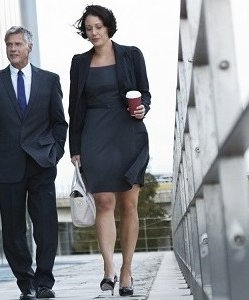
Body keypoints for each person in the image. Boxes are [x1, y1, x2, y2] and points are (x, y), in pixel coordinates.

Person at [0, 26, 67, 300]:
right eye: (9, 44)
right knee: (13, 230)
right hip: (8, 164)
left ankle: (44, 282)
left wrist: (55, 152)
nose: (13, 49)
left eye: (18, 44)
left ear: (30, 47)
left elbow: (59, 122)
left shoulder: (49, 80)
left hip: (41, 163)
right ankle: (25, 282)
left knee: (45, 226)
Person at [68, 5, 151, 297]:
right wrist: (74, 146)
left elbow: (146, 93)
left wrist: (143, 108)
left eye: (98, 27)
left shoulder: (131, 54)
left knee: (129, 204)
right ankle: (108, 268)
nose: (94, 33)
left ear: (108, 27)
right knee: (103, 201)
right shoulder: (79, 62)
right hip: (94, 133)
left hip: (128, 132)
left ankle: (127, 270)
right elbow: (74, 107)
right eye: (89, 28)